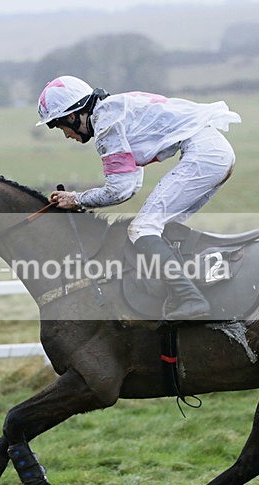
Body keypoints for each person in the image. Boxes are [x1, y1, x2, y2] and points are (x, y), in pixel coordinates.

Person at [38, 75, 241, 320]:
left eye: (62, 127)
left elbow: (120, 190)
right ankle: (185, 283)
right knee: (160, 226)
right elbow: (132, 183)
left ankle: (191, 298)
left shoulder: (106, 125)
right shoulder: (113, 110)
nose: (66, 135)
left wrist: (77, 199)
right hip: (213, 151)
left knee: (143, 228)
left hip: (205, 155)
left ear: (73, 116)